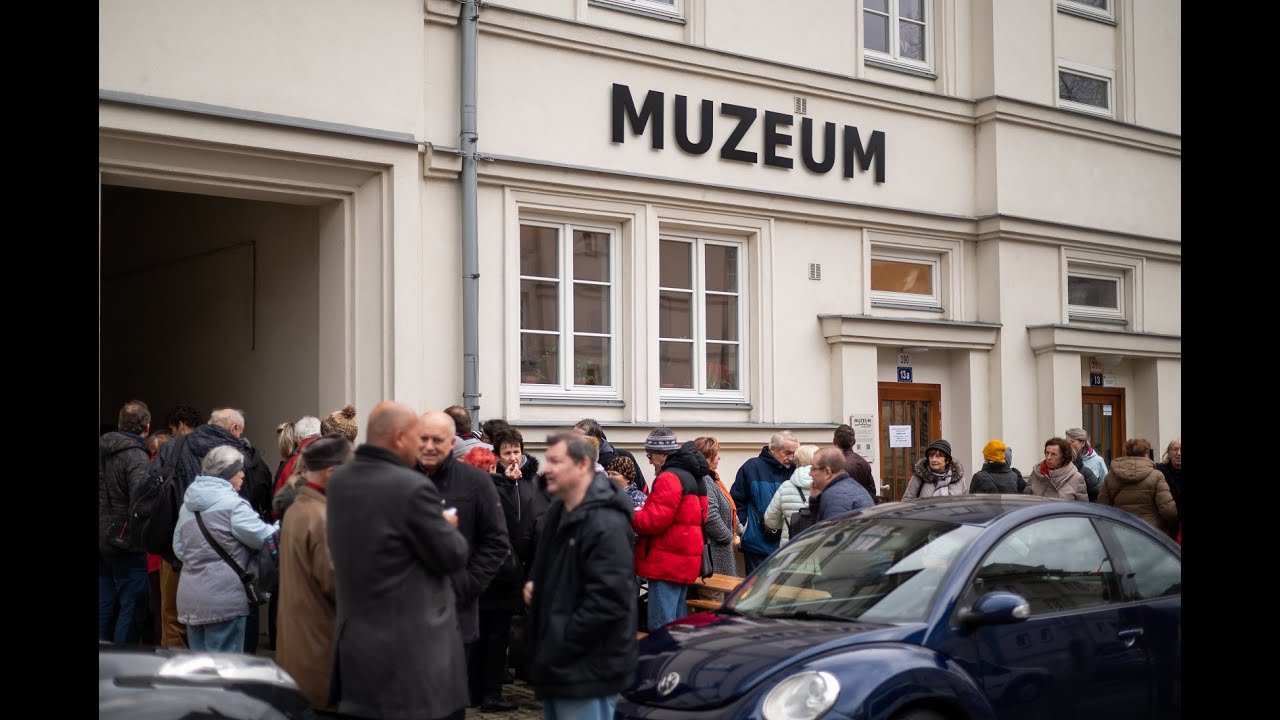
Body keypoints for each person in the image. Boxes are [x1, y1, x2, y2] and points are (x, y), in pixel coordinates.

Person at [326, 401, 470, 720]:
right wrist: (447, 528)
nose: (422, 446)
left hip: (356, 651)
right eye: (419, 437)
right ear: (400, 437)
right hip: (411, 663)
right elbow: (453, 554)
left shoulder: (340, 481)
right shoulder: (410, 487)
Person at [524, 433, 637, 720]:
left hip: (586, 666)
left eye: (556, 461)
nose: (546, 468)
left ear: (583, 465)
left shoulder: (604, 521)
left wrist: (560, 641)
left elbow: (609, 600)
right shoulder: (558, 512)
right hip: (558, 662)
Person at [415, 411, 509, 713]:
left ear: (452, 442)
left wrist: (466, 585)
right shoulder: (402, 479)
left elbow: (496, 542)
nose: (429, 446)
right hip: (406, 615)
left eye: (437, 440)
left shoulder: (475, 482)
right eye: (423, 439)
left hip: (456, 615)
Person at [172, 445, 278, 652]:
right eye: (239, 470)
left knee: (202, 673)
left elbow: (179, 549)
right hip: (225, 600)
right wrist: (287, 524)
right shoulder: (233, 506)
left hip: (191, 601)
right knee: (224, 674)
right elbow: (265, 538)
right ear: (228, 473)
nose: (243, 475)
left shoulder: (187, 506)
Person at [276, 433, 351, 709]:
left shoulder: (298, 507)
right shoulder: (322, 516)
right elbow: (335, 583)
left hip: (300, 646)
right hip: (319, 648)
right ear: (332, 473)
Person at [632, 429, 709, 631]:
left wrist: (629, 514)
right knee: (677, 624)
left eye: (650, 455)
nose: (649, 461)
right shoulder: (693, 476)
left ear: (663, 454)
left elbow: (653, 520)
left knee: (662, 626)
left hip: (665, 562)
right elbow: (703, 515)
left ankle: (662, 662)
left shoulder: (668, 478)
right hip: (684, 560)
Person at [99, 399, 152, 645]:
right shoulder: (136, 456)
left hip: (101, 541)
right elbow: (140, 502)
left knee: (104, 605)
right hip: (125, 543)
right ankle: (122, 665)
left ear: (120, 424)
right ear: (147, 427)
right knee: (130, 609)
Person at [730, 431, 799, 573]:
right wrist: (744, 528)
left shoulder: (795, 470)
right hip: (757, 542)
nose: (791, 458)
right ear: (773, 449)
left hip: (786, 542)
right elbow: (737, 500)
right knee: (757, 588)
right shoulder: (751, 467)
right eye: (787, 453)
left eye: (793, 453)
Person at [1098, 437, 1177, 535]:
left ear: (1126, 453)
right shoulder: (1156, 476)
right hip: (1151, 532)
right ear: (1146, 454)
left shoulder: (1111, 476)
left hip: (1120, 528)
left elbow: (1103, 506)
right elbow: (1168, 511)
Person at [694, 437, 739, 576]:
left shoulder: (713, 479)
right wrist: (728, 537)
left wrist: (738, 528)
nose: (718, 458)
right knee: (714, 596)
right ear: (707, 457)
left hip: (719, 552)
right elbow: (710, 515)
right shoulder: (706, 480)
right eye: (716, 455)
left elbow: (727, 508)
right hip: (715, 554)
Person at [763, 444, 819, 546]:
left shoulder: (786, 486)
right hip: (819, 547)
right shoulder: (827, 485)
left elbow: (770, 521)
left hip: (791, 548)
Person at [574, 418, 647, 493]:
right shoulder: (573, 459)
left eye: (578, 439)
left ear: (594, 440)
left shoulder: (622, 457)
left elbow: (642, 489)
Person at [810, 447, 875, 520]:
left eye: (813, 469)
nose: (810, 474)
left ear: (827, 472)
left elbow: (833, 530)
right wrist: (816, 501)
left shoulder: (834, 496)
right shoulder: (854, 486)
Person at [1024, 437, 1088, 501]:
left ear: (1063, 457)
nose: (1049, 457)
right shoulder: (1036, 473)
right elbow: (1026, 501)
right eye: (1047, 453)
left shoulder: (1076, 478)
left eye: (1053, 454)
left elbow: (1082, 507)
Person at [902, 439, 968, 499]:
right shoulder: (920, 477)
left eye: (938, 456)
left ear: (947, 460)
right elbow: (907, 500)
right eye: (931, 456)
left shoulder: (958, 479)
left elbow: (965, 502)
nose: (933, 460)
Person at [832, 424, 877, 499]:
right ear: (854, 441)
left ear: (834, 442)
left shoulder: (836, 465)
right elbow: (872, 490)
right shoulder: (864, 462)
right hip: (865, 506)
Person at [1155, 437, 1181, 540]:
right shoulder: (1159, 470)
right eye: (1175, 449)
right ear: (1169, 453)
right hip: (1165, 527)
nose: (1179, 453)